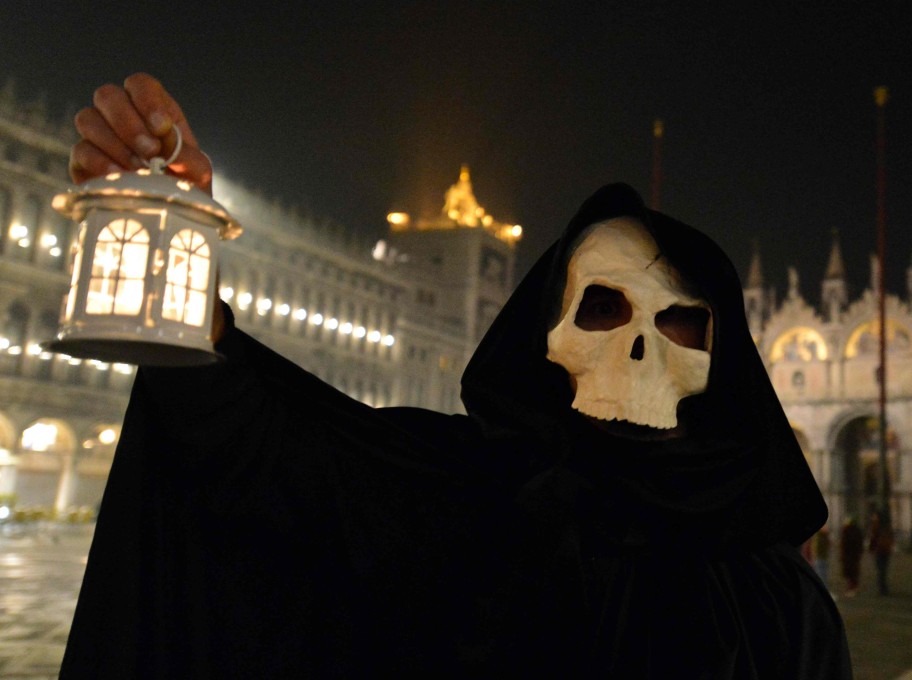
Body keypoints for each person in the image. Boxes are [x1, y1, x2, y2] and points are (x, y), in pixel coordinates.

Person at [60, 73, 852, 678]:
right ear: (544, 337)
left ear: (722, 360)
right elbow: (265, 448)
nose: (640, 348)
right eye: (602, 309)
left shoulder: (777, 596)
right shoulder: (456, 491)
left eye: (679, 322)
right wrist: (175, 259)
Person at [869, 511, 894, 596]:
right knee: (884, 569)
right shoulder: (887, 526)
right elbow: (891, 537)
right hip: (886, 550)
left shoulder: (876, 525)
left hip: (879, 550)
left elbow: (873, 537)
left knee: (880, 570)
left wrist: (871, 549)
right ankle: (884, 587)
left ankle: (881, 588)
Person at [840, 516, 865, 597]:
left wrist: (842, 555)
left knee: (850, 574)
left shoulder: (846, 532)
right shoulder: (858, 531)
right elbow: (860, 544)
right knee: (854, 573)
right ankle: (854, 588)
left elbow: (843, 545)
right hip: (855, 556)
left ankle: (851, 589)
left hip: (848, 556)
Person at [813, 524, 832, 593]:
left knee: (822, 575)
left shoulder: (822, 536)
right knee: (822, 575)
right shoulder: (820, 536)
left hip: (822, 558)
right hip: (821, 558)